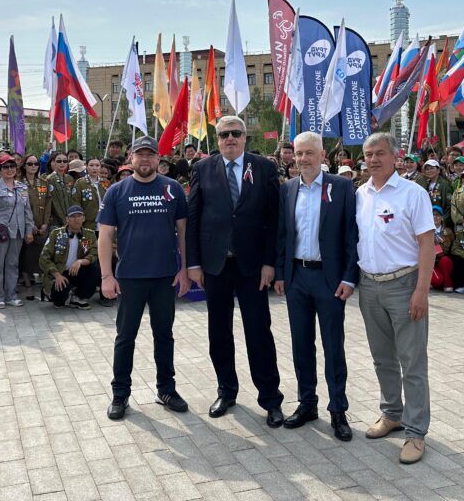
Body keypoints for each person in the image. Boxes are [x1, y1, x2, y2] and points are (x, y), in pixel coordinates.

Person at [187, 115, 284, 426]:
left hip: (253, 267)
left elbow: (274, 220)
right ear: (217, 139)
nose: (230, 138)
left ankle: (270, 398)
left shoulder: (264, 167)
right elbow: (194, 217)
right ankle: (226, 391)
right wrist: (193, 263)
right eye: (224, 134)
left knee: (259, 332)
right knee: (219, 332)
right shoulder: (202, 168)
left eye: (236, 133)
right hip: (215, 266)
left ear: (245, 138)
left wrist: (270, 262)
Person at [273, 131, 358, 442]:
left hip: (329, 280)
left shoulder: (342, 187)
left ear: (323, 156)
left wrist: (349, 277)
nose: (303, 159)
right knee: (301, 344)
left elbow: (352, 236)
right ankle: (307, 403)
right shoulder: (288, 189)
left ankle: (338, 409)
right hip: (297, 277)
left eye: (309, 153)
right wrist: (281, 274)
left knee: (333, 346)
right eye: (299, 153)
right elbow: (282, 235)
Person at [354, 132, 433, 465]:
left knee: (412, 362)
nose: (373, 159)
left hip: (405, 284)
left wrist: (421, 291)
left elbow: (427, 244)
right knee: (382, 358)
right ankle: (392, 414)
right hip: (369, 286)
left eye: (380, 153)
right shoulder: (360, 194)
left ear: (395, 156)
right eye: (368, 154)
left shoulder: (413, 193)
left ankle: (415, 432)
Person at [98, 136, 191, 420]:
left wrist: (184, 269)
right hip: (130, 277)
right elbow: (105, 236)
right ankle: (120, 394)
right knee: (125, 337)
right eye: (140, 154)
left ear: (158, 159)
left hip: (165, 277)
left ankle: (166, 389)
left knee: (164, 336)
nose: (146, 159)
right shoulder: (117, 191)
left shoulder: (172, 188)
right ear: (131, 158)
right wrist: (106, 276)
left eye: (151, 154)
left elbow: (183, 233)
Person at [0, 153, 35, 309]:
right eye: (5, 167)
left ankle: (11, 295)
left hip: (18, 231)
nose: (9, 169)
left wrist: (29, 230)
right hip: (0, 232)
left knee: (13, 264)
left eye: (12, 166)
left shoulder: (22, 187)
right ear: (0, 169)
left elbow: (27, 211)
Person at [38, 205, 101, 309]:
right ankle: (49, 292)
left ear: (83, 218)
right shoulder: (56, 234)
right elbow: (44, 258)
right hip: (58, 273)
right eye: (73, 216)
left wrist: (80, 261)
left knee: (94, 268)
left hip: (76, 271)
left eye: (79, 216)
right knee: (59, 302)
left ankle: (78, 297)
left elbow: (93, 254)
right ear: (67, 219)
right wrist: (57, 275)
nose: (76, 219)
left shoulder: (90, 235)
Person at [19, 153, 52, 300]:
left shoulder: (43, 183)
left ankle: (45, 287)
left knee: (43, 256)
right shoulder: (19, 184)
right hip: (26, 226)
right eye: (30, 164)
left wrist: (45, 223)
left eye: (36, 164)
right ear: (24, 166)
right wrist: (29, 225)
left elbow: (48, 203)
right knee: (26, 256)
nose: (33, 166)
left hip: (42, 225)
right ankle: (28, 286)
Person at [72, 158, 108, 232]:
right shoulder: (80, 183)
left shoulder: (106, 182)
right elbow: (76, 203)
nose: (94, 168)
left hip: (105, 223)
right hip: (88, 224)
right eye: (91, 165)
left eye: (97, 165)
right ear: (86, 167)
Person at [430, 207, 455, 291]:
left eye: (437, 215)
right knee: (437, 281)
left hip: (442, 261)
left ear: (442, 218)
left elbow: (445, 250)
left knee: (446, 260)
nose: (435, 217)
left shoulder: (448, 231)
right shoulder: (425, 231)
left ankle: (447, 283)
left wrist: (432, 249)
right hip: (430, 262)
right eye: (432, 215)